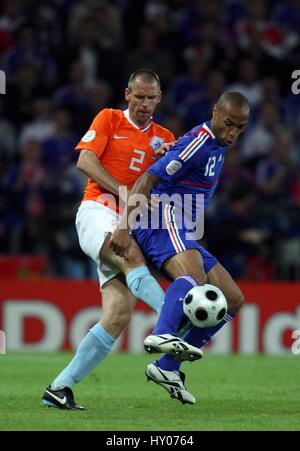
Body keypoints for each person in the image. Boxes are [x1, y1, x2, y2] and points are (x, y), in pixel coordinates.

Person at [42, 68, 175, 410]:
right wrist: (125, 193)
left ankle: (59, 387)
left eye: (151, 98)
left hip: (130, 220)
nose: (144, 104)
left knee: (118, 314)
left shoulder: (165, 139)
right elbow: (85, 161)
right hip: (96, 211)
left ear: (158, 99)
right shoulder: (109, 119)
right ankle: (171, 321)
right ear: (127, 94)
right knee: (129, 254)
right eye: (139, 96)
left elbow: (164, 189)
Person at [110, 91, 250, 405]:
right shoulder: (199, 142)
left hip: (182, 225)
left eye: (239, 128)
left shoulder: (217, 144)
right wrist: (123, 225)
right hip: (162, 214)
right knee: (194, 275)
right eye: (228, 124)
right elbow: (148, 178)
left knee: (233, 299)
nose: (232, 133)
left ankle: (168, 366)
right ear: (215, 112)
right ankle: (163, 332)